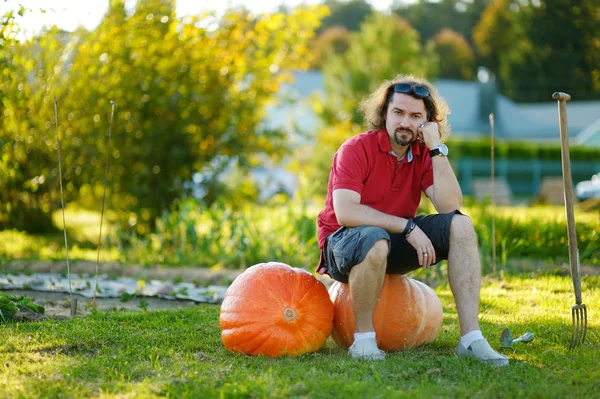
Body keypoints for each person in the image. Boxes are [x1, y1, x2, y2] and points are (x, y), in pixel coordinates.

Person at [316, 74, 508, 366]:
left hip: (392, 242)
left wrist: (435, 148)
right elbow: (347, 212)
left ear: (428, 122)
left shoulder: (422, 154)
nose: (405, 122)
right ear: (384, 114)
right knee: (375, 239)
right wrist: (408, 227)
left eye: (416, 116)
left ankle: (471, 339)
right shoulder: (355, 149)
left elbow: (450, 205)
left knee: (461, 224)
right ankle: (364, 341)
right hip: (344, 245)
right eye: (399, 112)